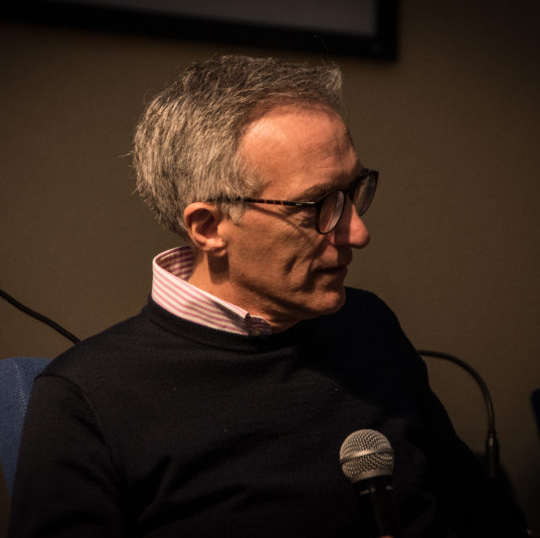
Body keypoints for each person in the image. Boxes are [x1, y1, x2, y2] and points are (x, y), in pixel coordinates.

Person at [8, 55, 527, 537]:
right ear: (209, 227)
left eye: (353, 192)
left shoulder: (369, 324)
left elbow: (482, 516)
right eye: (317, 206)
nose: (358, 232)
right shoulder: (86, 398)